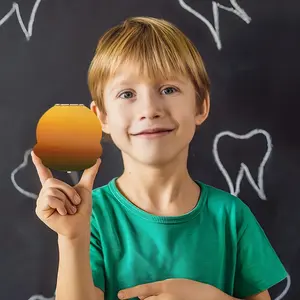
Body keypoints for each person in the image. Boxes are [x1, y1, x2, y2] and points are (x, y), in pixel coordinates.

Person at [32, 16, 288, 300]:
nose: (150, 109)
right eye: (127, 93)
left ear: (200, 106)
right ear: (101, 117)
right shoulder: (91, 216)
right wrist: (72, 239)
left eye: (168, 90)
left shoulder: (231, 217)